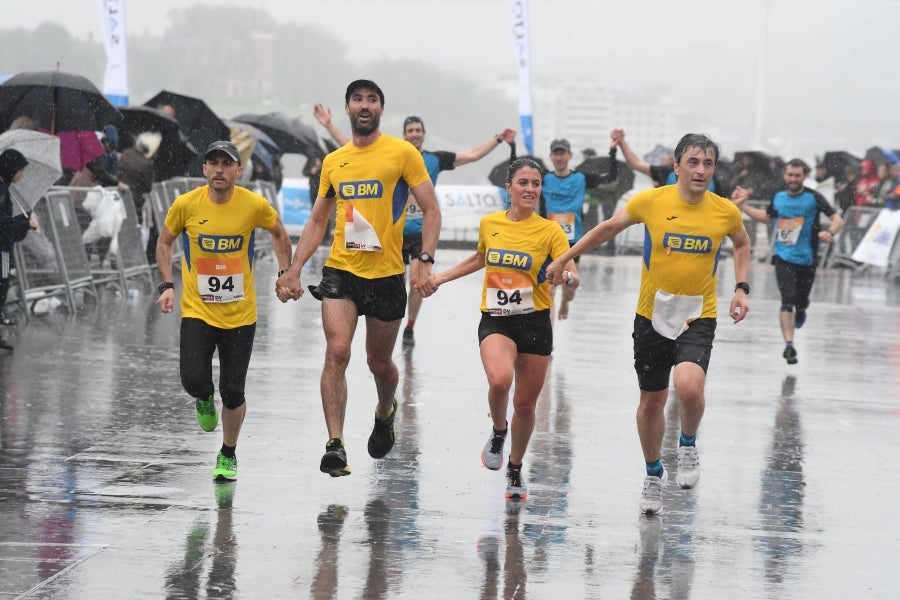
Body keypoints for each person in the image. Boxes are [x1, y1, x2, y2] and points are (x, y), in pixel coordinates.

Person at [545, 133, 751, 515]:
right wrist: (564, 258)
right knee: (651, 402)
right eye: (693, 162)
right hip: (651, 315)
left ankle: (687, 444)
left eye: (707, 164)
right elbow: (607, 229)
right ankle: (653, 475)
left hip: (698, 313)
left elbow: (741, 243)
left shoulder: (724, 211)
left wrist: (740, 288)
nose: (700, 170)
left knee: (689, 387)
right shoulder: (652, 202)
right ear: (676, 167)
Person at [276, 80, 441, 477]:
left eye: (372, 100)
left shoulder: (402, 153)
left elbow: (432, 210)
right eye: (357, 99)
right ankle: (336, 444)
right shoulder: (335, 161)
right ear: (347, 108)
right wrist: (295, 268)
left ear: (381, 109)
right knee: (337, 350)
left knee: (378, 362)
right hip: (342, 271)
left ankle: (386, 411)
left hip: (386, 275)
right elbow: (318, 219)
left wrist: (425, 259)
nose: (364, 105)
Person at [433, 157, 577, 500]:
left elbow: (572, 272)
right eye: (523, 183)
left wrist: (566, 277)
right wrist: (440, 277)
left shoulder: (550, 231)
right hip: (497, 318)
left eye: (536, 184)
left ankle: (515, 468)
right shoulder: (490, 224)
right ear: (508, 188)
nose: (530, 189)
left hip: (535, 322)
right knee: (500, 382)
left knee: (526, 406)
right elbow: (481, 257)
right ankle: (499, 432)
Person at [314, 104, 516, 347]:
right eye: (410, 130)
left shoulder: (435, 159)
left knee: (417, 281)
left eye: (418, 130)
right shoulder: (389, 156)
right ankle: (387, 320)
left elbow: (472, 155)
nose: (414, 134)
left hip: (420, 233)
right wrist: (328, 125)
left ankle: (410, 325)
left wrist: (498, 139)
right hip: (393, 234)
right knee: (392, 281)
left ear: (423, 134)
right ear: (404, 134)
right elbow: (350, 144)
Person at [156, 140, 293, 481]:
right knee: (193, 380)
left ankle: (228, 454)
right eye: (212, 163)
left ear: (238, 171)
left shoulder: (253, 205)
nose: (219, 169)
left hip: (240, 315)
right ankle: (203, 398)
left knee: (233, 391)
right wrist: (167, 286)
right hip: (198, 311)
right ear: (204, 170)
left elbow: (279, 233)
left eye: (225, 164)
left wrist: (284, 273)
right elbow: (164, 241)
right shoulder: (186, 205)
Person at [731, 159, 843, 365]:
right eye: (789, 175)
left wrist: (830, 232)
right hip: (783, 258)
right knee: (787, 300)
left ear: (804, 177)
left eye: (797, 176)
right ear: (785, 175)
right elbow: (766, 217)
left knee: (801, 301)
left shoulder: (813, 198)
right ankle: (789, 345)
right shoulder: (779, 197)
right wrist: (744, 206)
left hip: (807, 259)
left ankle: (801, 310)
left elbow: (838, 219)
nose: (792, 179)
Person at [542, 137, 618, 320]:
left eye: (563, 154)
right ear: (551, 157)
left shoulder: (581, 178)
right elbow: (517, 177)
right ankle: (548, 342)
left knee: (570, 287)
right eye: (556, 154)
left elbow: (610, 176)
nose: (559, 158)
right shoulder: (543, 179)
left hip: (573, 240)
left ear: (569, 155)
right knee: (549, 290)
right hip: (548, 240)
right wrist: (512, 146)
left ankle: (566, 301)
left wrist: (613, 151)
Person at [0, 149, 39, 349]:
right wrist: (24, 224)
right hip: (2, 249)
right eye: (21, 170)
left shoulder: (5, 188)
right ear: (11, 169)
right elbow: (3, 222)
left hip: (4, 245)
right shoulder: (2, 190)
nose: (22, 175)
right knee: (1, 285)